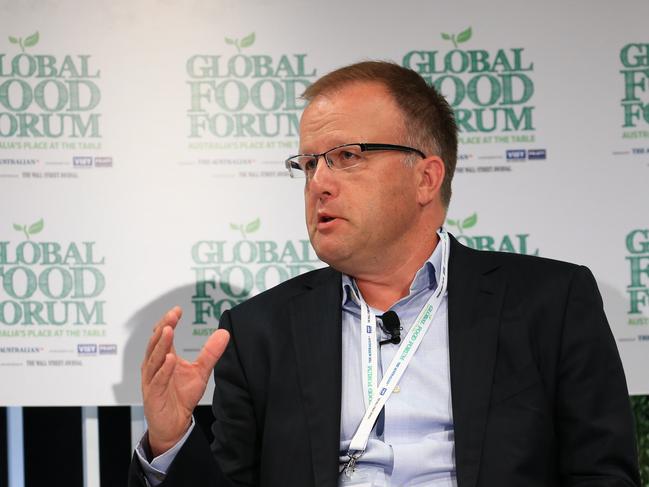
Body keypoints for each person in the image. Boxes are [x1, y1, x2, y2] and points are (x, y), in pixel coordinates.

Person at [130, 61, 640, 487]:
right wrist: (173, 442)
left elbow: (603, 475)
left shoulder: (550, 303)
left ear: (425, 177)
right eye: (308, 164)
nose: (319, 184)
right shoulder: (260, 332)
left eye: (346, 156)